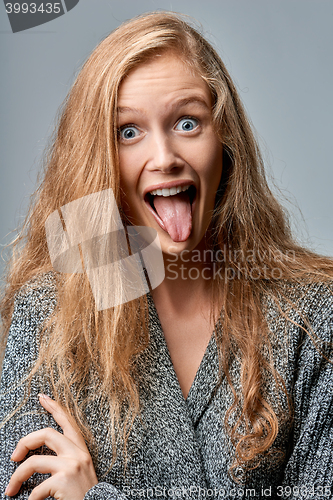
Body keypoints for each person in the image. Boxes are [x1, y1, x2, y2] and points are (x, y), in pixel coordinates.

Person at [1, 11, 333, 500]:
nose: (164, 156)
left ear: (226, 140)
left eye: (186, 122)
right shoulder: (52, 316)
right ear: (100, 159)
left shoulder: (314, 318)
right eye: (128, 132)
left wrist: (95, 495)